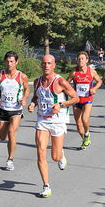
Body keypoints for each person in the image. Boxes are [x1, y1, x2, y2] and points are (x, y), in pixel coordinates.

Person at [28, 54, 79, 198]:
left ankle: (61, 155)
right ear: (41, 65)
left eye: (49, 63)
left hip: (58, 121)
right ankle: (46, 186)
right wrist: (33, 103)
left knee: (55, 156)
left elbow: (76, 98)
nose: (46, 66)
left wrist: (61, 104)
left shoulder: (60, 81)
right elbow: (37, 97)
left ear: (54, 65)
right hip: (42, 121)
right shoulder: (37, 81)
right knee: (40, 151)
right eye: (44, 63)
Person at [0, 51, 30, 171]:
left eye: (12, 61)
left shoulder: (22, 76)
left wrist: (24, 99)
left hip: (16, 109)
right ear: (5, 62)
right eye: (7, 61)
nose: (9, 63)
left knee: (12, 132)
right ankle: (10, 142)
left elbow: (27, 89)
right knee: (3, 137)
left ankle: (10, 159)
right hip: (2, 108)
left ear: (16, 62)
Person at [67, 51, 102, 150]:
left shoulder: (91, 71)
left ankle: (87, 134)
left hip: (87, 99)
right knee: (78, 124)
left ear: (86, 60)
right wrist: (69, 89)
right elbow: (66, 83)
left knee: (84, 119)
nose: (80, 61)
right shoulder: (74, 72)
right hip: (76, 100)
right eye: (79, 59)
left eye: (82, 59)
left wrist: (94, 89)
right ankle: (85, 140)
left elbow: (99, 81)